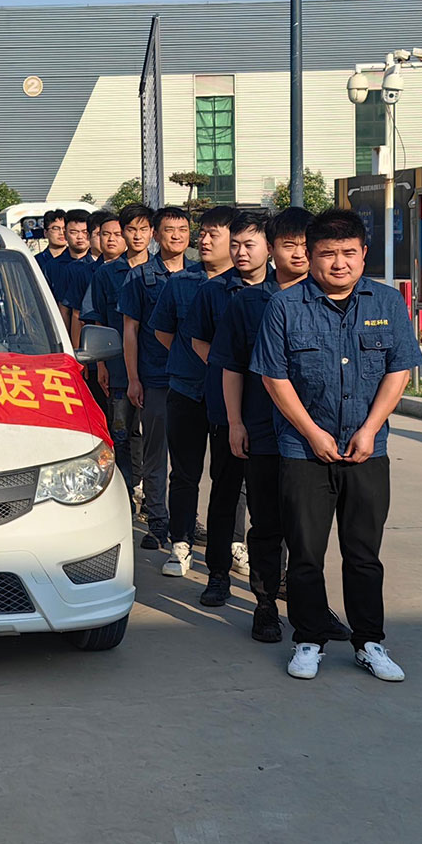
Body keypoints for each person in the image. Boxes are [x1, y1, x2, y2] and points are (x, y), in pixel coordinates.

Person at [254, 209, 422, 682]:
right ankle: (308, 639)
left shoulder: (386, 302)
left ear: (364, 254)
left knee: (363, 553)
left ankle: (369, 642)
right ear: (309, 257)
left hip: (368, 450)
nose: (339, 263)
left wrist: (370, 428)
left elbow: (399, 370)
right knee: (306, 553)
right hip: (302, 451)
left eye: (349, 252)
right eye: (327, 254)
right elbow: (274, 377)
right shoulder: (284, 306)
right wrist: (311, 432)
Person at [210, 206, 312, 642]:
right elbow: (231, 366)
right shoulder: (248, 302)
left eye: (307, 245)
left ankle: (309, 607)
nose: (300, 254)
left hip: (313, 437)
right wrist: (235, 422)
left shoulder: (329, 301)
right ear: (272, 249)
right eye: (290, 245)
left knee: (307, 528)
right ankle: (265, 606)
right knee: (266, 523)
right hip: (263, 430)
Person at [184, 209, 271, 606]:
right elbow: (198, 339)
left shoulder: (284, 291)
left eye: (249, 244)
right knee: (225, 493)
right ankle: (217, 574)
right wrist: (230, 368)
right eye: (234, 245)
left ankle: (274, 578)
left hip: (273, 413)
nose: (240, 252)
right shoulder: (213, 290)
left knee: (271, 502)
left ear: (268, 247)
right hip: (227, 409)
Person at [148, 204, 238, 579]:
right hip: (186, 389)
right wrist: (191, 359)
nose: (203, 240)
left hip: (232, 396)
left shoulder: (246, 286)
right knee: (184, 473)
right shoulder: (181, 282)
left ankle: (233, 542)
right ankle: (180, 541)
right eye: (202, 233)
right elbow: (162, 330)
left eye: (213, 234)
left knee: (231, 475)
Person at [119, 204, 194, 551]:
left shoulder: (199, 274)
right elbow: (130, 331)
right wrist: (134, 378)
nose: (176, 236)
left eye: (182, 230)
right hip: (156, 377)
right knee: (155, 454)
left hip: (194, 380)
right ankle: (158, 521)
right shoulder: (139, 276)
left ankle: (185, 521)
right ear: (156, 235)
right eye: (169, 230)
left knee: (188, 457)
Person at [79, 210, 138, 489]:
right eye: (107, 234)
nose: (113, 239)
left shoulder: (156, 271)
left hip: (153, 369)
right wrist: (100, 364)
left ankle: (144, 488)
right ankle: (126, 491)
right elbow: (97, 319)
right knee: (120, 433)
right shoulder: (104, 274)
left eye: (118, 234)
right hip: (117, 369)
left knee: (148, 437)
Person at [34, 209, 68, 278]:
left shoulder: (76, 258)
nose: (61, 233)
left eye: (64, 228)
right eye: (56, 228)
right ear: (45, 233)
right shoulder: (36, 261)